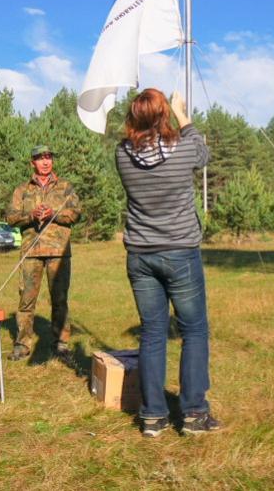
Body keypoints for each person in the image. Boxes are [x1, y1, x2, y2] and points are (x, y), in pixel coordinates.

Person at [115, 88, 219, 437]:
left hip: (140, 255)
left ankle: (153, 417)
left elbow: (146, 146)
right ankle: (194, 414)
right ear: (163, 117)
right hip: (180, 252)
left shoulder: (122, 154)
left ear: (133, 117)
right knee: (194, 330)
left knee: (152, 333)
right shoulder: (184, 148)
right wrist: (183, 114)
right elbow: (203, 153)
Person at [5, 145, 82, 361]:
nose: (46, 162)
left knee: (59, 299)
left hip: (59, 251)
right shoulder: (22, 189)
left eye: (49, 157)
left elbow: (76, 213)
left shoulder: (65, 187)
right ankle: (23, 344)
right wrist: (31, 215)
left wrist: (53, 213)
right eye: (40, 158)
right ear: (33, 163)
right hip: (31, 252)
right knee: (26, 301)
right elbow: (11, 217)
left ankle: (61, 343)